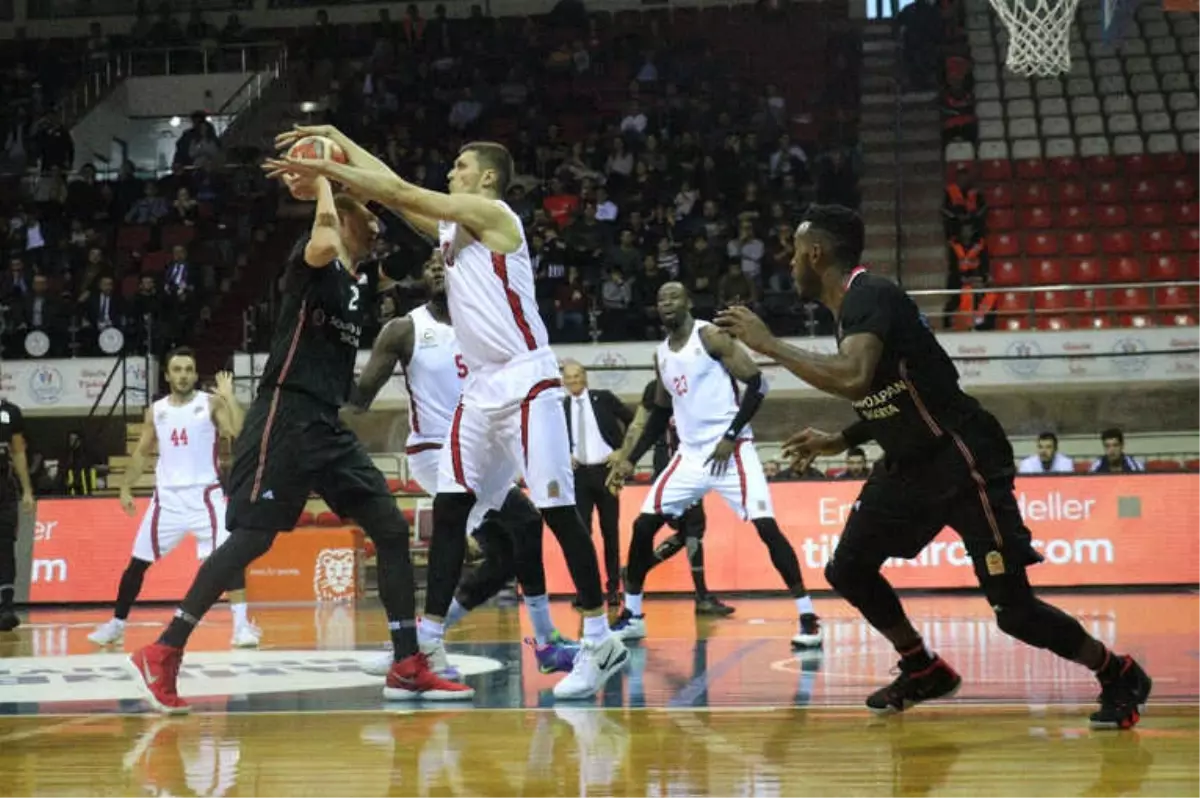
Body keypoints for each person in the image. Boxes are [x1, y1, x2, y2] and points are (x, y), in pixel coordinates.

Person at [715, 204, 1152, 729]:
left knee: (1013, 611)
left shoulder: (870, 294)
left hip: (961, 459)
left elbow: (855, 378)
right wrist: (844, 437)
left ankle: (1117, 671)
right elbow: (900, 392)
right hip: (909, 464)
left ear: (816, 252)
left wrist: (767, 346)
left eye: (793, 252)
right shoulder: (852, 308)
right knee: (848, 568)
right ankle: (922, 667)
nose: (788, 264)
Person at [267, 127, 628, 699]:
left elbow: (403, 191)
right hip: (483, 390)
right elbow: (392, 191)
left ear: (485, 176)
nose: (450, 172)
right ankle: (428, 642)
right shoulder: (455, 231)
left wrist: (329, 172)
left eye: (459, 165)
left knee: (557, 511)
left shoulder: (495, 215)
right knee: (453, 509)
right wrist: (336, 139)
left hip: (527, 378)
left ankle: (599, 637)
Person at [126, 176, 472, 715]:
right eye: (368, 222)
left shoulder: (363, 282)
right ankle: (165, 649)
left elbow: (414, 250)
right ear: (345, 224)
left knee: (387, 525)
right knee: (252, 539)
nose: (377, 229)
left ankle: (407, 661)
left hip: (327, 426)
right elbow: (324, 236)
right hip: (284, 416)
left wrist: (374, 196)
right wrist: (326, 188)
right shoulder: (311, 266)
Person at [350, 252, 578, 677]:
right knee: (525, 522)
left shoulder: (485, 324)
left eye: (445, 262)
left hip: (482, 450)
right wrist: (328, 356)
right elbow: (360, 401)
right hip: (436, 452)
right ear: (420, 277)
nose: (437, 267)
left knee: (505, 558)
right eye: (429, 263)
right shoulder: (404, 329)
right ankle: (543, 642)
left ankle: (415, 644)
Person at [607, 282, 822, 648]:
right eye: (660, 299)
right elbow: (660, 413)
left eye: (674, 296)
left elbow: (758, 385)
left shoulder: (710, 337)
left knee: (767, 528)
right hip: (689, 456)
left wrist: (731, 435)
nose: (667, 303)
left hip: (731, 450)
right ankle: (633, 615)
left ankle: (807, 616)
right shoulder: (661, 353)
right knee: (643, 526)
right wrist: (629, 459)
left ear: (688, 302)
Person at [88, 352, 260, 649]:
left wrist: (230, 397)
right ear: (167, 375)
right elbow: (142, 451)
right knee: (137, 564)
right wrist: (125, 486)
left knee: (230, 560)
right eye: (177, 369)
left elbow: (237, 432)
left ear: (195, 375)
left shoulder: (210, 402)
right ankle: (116, 624)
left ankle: (242, 627)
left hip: (205, 496)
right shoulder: (156, 410)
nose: (183, 375)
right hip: (166, 500)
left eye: (189, 370)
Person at [608, 378, 734, 617]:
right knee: (693, 527)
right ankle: (701, 597)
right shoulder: (661, 387)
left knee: (689, 529)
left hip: (682, 465)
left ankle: (638, 569)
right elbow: (638, 426)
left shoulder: (686, 384)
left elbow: (638, 426)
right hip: (674, 467)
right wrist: (626, 458)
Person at [561, 361, 633, 607]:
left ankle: (613, 589)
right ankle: (587, 593)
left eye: (578, 375)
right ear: (564, 382)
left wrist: (622, 451)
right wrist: (564, 455)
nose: (574, 381)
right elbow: (552, 438)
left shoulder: (603, 398)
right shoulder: (561, 406)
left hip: (606, 473)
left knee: (610, 533)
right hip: (579, 476)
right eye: (569, 378)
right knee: (582, 536)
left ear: (586, 377)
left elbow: (634, 420)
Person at [0, 398, 35, 632]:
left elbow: (19, 451)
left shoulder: (10, 411)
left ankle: (6, 607)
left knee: (5, 546)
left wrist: (27, 490)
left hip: (3, 487)